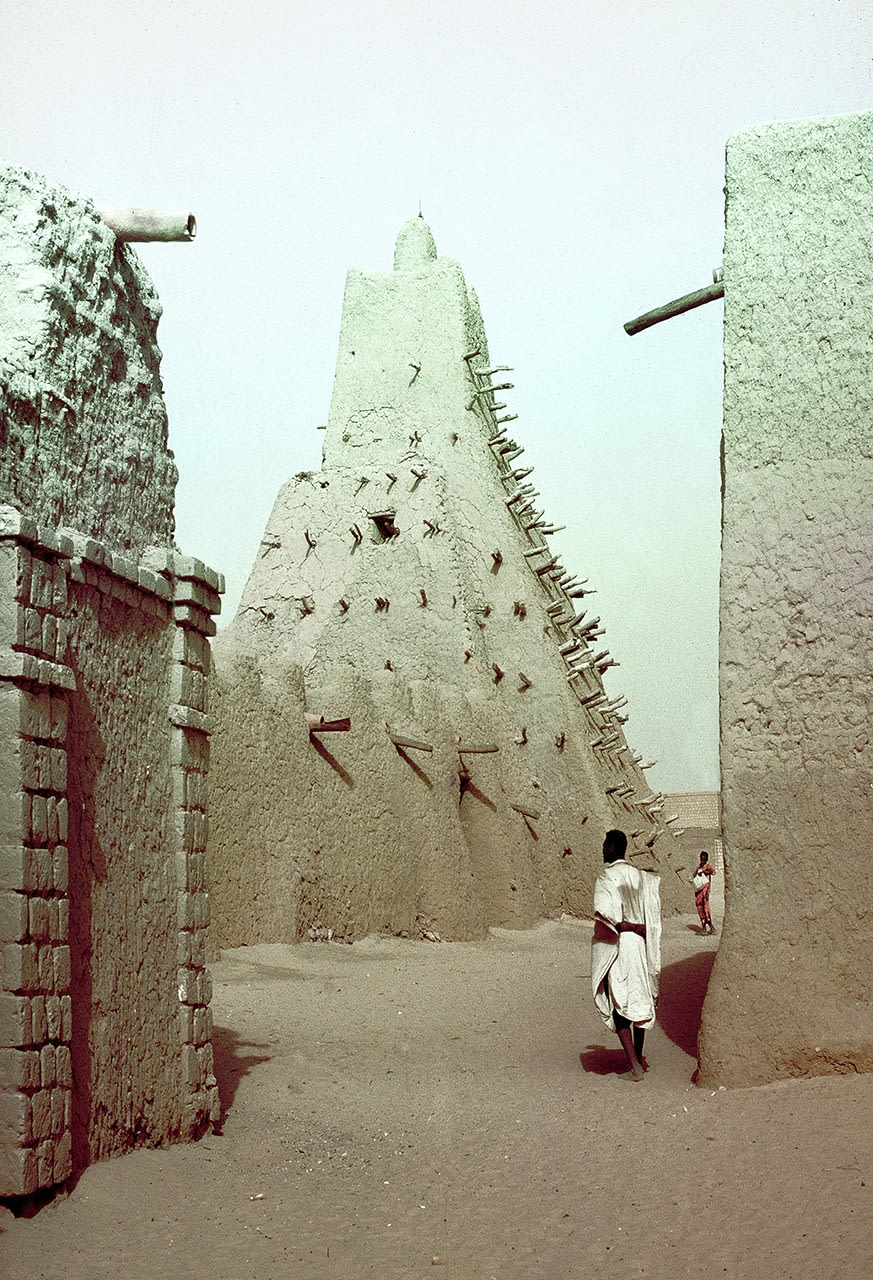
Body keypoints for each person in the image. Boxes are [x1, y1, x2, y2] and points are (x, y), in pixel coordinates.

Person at [591, 829, 661, 1081]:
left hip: (620, 946)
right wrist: (641, 928)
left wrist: (628, 926)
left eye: (604, 844)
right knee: (638, 999)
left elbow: (607, 916)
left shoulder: (607, 877)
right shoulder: (640, 876)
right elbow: (652, 914)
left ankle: (634, 1066)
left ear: (612, 848)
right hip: (640, 945)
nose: (602, 849)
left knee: (619, 1003)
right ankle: (638, 1058)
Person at [692, 850, 716, 934]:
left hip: (705, 891)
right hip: (699, 891)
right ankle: (708, 928)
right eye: (701, 859)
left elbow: (714, 872)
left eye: (704, 860)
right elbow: (694, 875)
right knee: (700, 907)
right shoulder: (699, 867)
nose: (702, 861)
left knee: (705, 908)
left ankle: (706, 928)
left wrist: (704, 871)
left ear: (706, 859)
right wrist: (697, 872)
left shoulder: (707, 867)